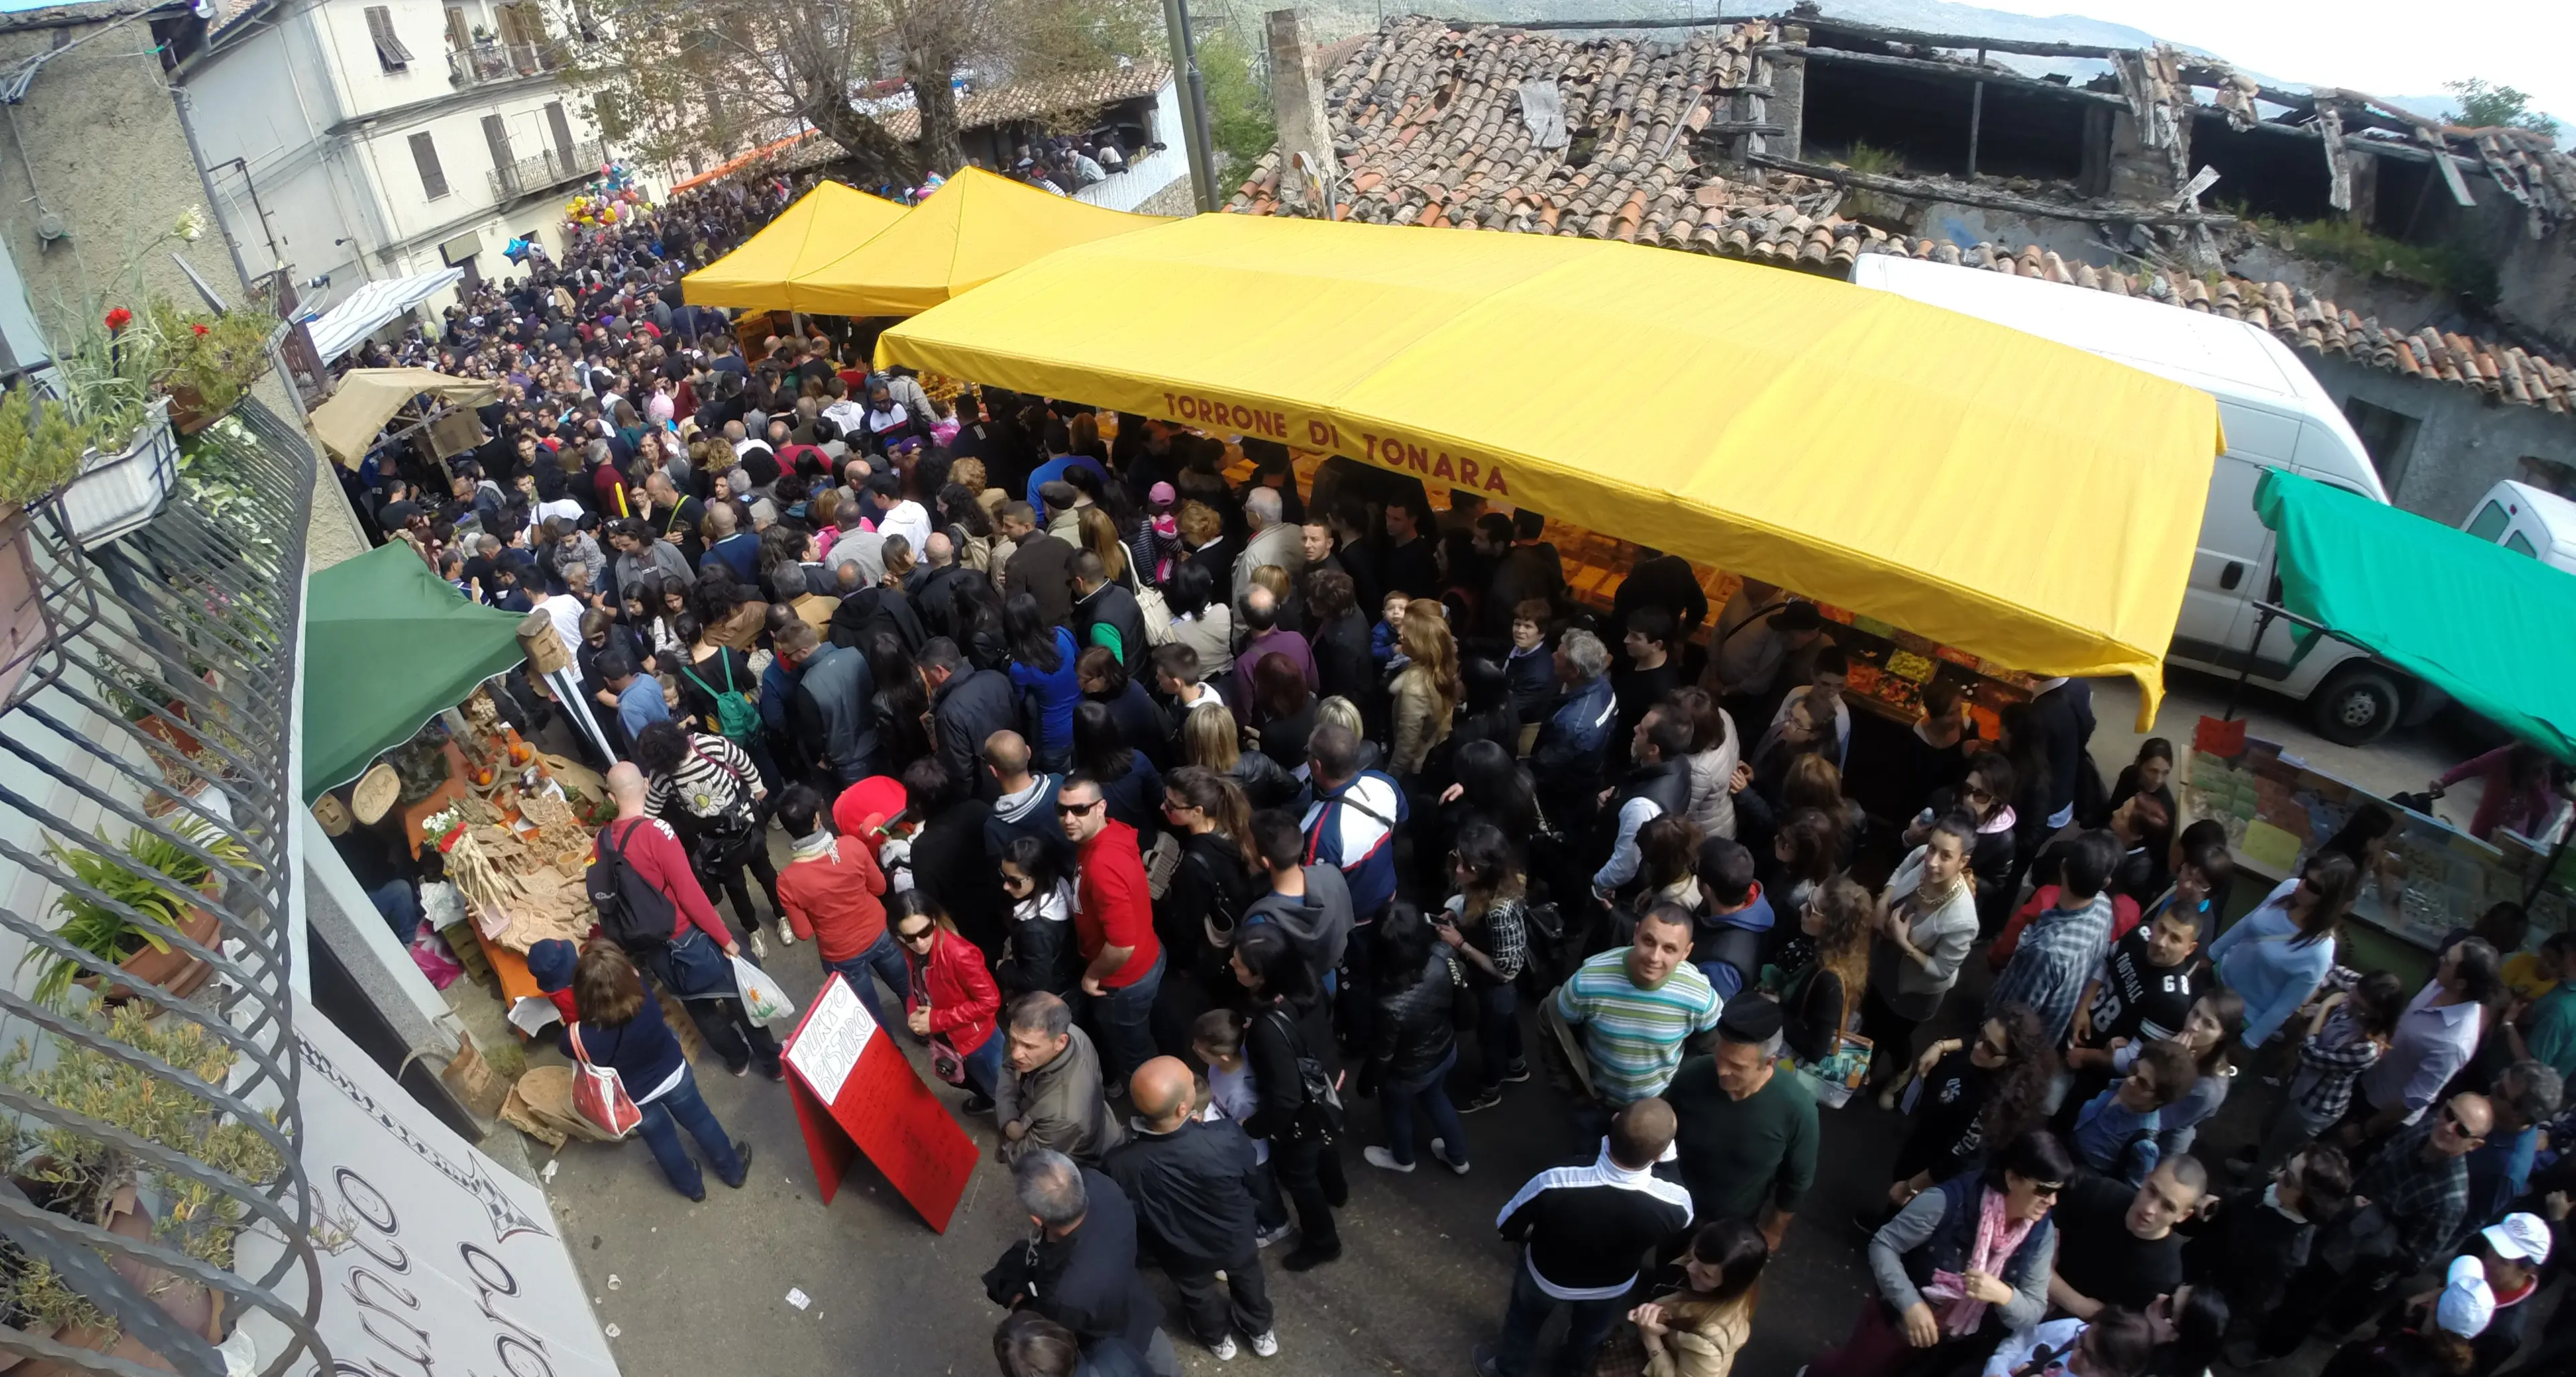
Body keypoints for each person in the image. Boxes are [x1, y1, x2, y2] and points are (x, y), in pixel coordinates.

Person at [1809, 1131, 2070, 1377]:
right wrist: (1910, 1305)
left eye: (2057, 1191)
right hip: (1897, 1324)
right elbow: (1884, 1245)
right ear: (2012, 1178)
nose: (2051, 1201)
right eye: (2043, 1190)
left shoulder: (2041, 1233)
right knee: (1851, 1371)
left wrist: (2003, 1295)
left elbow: (2034, 1310)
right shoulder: (1946, 1203)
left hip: (1950, 1344)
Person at [2259, 1093, 2494, 1356]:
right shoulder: (2426, 1128)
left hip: (2352, 1262)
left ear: (2474, 1145)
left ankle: (2267, 1349)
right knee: (2292, 1276)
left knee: (2304, 1307)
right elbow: (2380, 1160)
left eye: (2462, 1130)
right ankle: (2266, 1319)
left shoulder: (2450, 1200)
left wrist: (2374, 1234)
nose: (2449, 1128)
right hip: (2336, 1219)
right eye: (2450, 1115)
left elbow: (2414, 1259)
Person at [1477, 1097, 1695, 1377]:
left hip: (1545, 1276)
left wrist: (1521, 1236)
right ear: (1660, 1155)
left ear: (1614, 1121)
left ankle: (1508, 1369)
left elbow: (1506, 1223)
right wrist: (1668, 1157)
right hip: (1611, 1286)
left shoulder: (1557, 1177)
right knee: (1589, 1334)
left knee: (1523, 1324)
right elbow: (1682, 1219)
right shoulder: (1676, 1203)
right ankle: (1572, 1371)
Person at [594, 762, 783, 1079]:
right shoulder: (657, 833)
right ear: (646, 785)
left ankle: (737, 1060)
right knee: (738, 997)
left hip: (652, 946)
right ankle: (772, 1062)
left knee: (698, 1006)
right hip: (687, 938)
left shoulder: (602, 842)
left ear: (612, 798)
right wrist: (726, 939)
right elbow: (690, 894)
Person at [1102, 1056, 1278, 1362]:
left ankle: (1217, 1339)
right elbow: (1251, 1174)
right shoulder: (1224, 1136)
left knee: (1197, 1295)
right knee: (1249, 1280)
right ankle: (1259, 1330)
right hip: (1234, 1236)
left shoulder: (1120, 1163)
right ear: (1184, 1109)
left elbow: (1130, 1211)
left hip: (1178, 1246)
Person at [565, 940, 750, 1201]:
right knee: (700, 1120)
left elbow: (569, 1048)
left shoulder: (580, 1037)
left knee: (661, 1139)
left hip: (634, 1097)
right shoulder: (645, 998)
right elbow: (633, 978)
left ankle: (692, 1187)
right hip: (673, 1074)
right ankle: (732, 1170)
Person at [986, 1150, 1178, 1377]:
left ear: (1037, 1219)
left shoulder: (1065, 1295)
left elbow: (1051, 1337)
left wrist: (1019, 1303)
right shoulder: (1103, 1187)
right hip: (1136, 1307)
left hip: (1109, 1337)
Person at [1230, 924, 1346, 1272]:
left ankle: (1324, 1242)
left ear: (1260, 976)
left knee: (1298, 1177)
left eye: (1238, 964)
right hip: (1326, 1082)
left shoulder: (1268, 1029)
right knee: (1326, 1146)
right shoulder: (1306, 977)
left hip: (1301, 1116)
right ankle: (1337, 1191)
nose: (1231, 965)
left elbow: (1285, 1099)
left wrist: (1253, 1126)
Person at [1662, 997, 1818, 1252]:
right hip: (1677, 1208)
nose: (1722, 1071)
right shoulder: (1692, 1075)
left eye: (1736, 1066)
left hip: (1734, 1227)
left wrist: (1773, 1231)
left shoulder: (1797, 1109)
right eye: (1719, 1057)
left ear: (1769, 1063)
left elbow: (1797, 1181)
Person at [1878, 1008, 2058, 1213]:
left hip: (1933, 1166)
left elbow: (1955, 1160)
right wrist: (1943, 1046)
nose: (1978, 1046)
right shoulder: (1982, 1055)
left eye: (1990, 1048)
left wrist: (1910, 1187)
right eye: (1982, 1034)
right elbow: (1974, 1041)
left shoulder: (1994, 1104)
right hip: (1925, 1136)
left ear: (2012, 1061)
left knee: (1903, 1210)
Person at [631, 720, 786, 954]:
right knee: (735, 888)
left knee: (765, 871)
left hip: (744, 821)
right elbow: (651, 810)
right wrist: (642, 830)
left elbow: (741, 759)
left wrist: (757, 788)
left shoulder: (706, 745)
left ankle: (782, 914)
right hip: (714, 839)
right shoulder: (662, 776)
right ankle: (753, 930)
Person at [1551, 904, 1722, 1112]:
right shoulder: (1589, 979)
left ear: (1686, 952)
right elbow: (1557, 1029)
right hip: (1596, 1101)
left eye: (1669, 948)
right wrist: (1571, 1088)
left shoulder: (1698, 993)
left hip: (1655, 1105)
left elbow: (1710, 1044)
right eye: (1649, 941)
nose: (1654, 957)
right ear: (1636, 933)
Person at [1057, 773, 1163, 1093]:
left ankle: (1152, 1102)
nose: (1068, 819)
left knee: (1134, 1053)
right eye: (1062, 810)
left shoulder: (1103, 864)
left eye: (1079, 810)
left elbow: (1121, 945)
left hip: (1123, 981)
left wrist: (1092, 976)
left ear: (1101, 807)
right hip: (1147, 957)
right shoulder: (1106, 836)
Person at [1303, 722, 1408, 1041]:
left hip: (1355, 922)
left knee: (1357, 982)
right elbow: (1400, 822)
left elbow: (1314, 890)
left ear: (1317, 766)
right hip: (1390, 900)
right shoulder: (1383, 783)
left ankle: (1360, 1037)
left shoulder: (1320, 829)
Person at [2180, 1144, 2353, 1335]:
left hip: (2196, 1294)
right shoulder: (2280, 1194)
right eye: (2286, 1167)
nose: (2278, 1176)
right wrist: (2219, 1202)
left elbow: (2244, 1303)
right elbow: (2243, 1199)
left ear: (2309, 1200)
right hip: (2194, 1257)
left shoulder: (2285, 1256)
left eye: (2289, 1179)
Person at [771, 781, 904, 1022]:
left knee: (869, 1014)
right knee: (907, 989)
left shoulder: (787, 881)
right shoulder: (852, 846)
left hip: (840, 953)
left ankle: (890, 1054)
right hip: (880, 931)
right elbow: (880, 887)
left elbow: (803, 932)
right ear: (817, 819)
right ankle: (926, 1033)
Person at [1864, 814, 1980, 1088]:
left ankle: (1901, 1072)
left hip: (1914, 987)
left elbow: (1942, 971)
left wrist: (1905, 943)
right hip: (1885, 961)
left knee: (1894, 1036)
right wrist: (1883, 902)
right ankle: (1863, 1068)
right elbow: (1900, 872)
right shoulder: (1919, 857)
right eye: (1932, 849)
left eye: (1946, 856)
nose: (1932, 861)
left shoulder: (1962, 920)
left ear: (1963, 862)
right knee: (1872, 1020)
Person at [2249, 969, 2404, 1173]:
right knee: (2269, 1126)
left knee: (2276, 1155)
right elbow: (2330, 969)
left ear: (2377, 1014)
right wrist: (2315, 994)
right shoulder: (2363, 988)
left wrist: (2325, 1007)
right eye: (2354, 994)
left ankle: (2252, 1188)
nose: (2350, 1001)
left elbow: (2310, 1053)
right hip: (2297, 1081)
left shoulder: (2367, 1049)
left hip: (2315, 1105)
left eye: (2360, 1006)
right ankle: (2253, 1167)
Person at [2209, 850, 2361, 1053]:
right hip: (2218, 978)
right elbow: (2247, 923)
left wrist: (2248, 1043)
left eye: (2313, 887)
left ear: (2330, 900)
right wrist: (2210, 955)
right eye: (2305, 876)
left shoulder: (2319, 952)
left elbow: (2285, 1006)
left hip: (2243, 1016)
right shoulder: (2288, 889)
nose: (2302, 885)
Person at [2352, 937, 2502, 1142]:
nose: (2441, 960)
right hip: (2369, 1076)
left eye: (2448, 961)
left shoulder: (2453, 1044)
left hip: (2378, 1111)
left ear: (2461, 983)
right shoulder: (2441, 984)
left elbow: (2412, 1102)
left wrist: (2364, 1131)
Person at [1358, 903, 1470, 1176]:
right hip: (1444, 1051)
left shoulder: (1388, 1003)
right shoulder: (1443, 957)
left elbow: (1383, 1053)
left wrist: (1368, 1082)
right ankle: (1458, 1158)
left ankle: (1402, 1159)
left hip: (1407, 1072)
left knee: (1396, 1111)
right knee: (1437, 1098)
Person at [1986, 830, 2121, 1048]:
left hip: (2014, 1044)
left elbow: (2018, 1015)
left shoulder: (2047, 951)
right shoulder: (2104, 906)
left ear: (2063, 866)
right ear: (2106, 882)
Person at [1596, 1217, 1766, 1377]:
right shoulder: (1726, 1275)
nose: (1690, 1268)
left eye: (1706, 1274)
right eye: (1694, 1256)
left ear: (1730, 1285)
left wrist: (1651, 1338)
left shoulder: (1708, 1341)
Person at [1440, 822, 1531, 1111]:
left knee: (1490, 1039)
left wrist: (1460, 944)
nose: (1458, 871)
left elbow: (1507, 969)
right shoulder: (1489, 886)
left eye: (1467, 867)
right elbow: (1471, 903)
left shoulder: (1499, 910)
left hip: (1495, 988)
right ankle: (1517, 1066)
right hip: (1495, 989)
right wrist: (1457, 912)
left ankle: (1491, 1090)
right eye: (1458, 859)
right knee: (1506, 1025)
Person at [2049, 1156, 2204, 1320]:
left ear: (2184, 1216)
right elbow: (2046, 1225)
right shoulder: (2101, 1192)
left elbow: (2114, 1324)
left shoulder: (2164, 1275)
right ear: (2146, 1178)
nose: (2150, 1209)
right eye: (2152, 1191)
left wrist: (2049, 1280)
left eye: (2167, 1206)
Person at [897, 893, 1004, 1113]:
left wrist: (935, 1020)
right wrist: (913, 1014)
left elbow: (991, 1001)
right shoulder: (913, 952)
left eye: (925, 932)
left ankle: (1007, 1119)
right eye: (910, 937)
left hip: (977, 1042)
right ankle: (988, 1100)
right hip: (950, 1038)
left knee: (999, 1089)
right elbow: (916, 989)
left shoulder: (959, 955)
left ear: (935, 921)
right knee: (960, 1078)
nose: (919, 943)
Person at [991, 992, 1124, 1166]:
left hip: (1076, 1156)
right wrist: (1009, 1119)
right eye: (1013, 1040)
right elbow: (1009, 1067)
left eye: (1029, 1046)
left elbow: (1024, 1159)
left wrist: (1009, 1145)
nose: (1016, 1053)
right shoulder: (1069, 1033)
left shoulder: (1063, 1114)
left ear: (1061, 1042)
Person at [2068, 1041, 2198, 1184]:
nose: (2130, 1080)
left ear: (2160, 1099)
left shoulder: (2144, 1144)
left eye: (2142, 1083)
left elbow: (2130, 1191)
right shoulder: (2117, 1087)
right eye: (2134, 1069)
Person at [923, 637, 1020, 804]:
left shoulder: (948, 714)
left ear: (940, 671)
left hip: (989, 794)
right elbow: (1018, 720)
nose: (926, 680)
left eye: (926, 673)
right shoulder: (996, 678)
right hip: (1017, 769)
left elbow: (961, 772)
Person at [1006, 592, 1083, 770]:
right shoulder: (1063, 634)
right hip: (1082, 720)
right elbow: (1080, 661)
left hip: (1054, 736)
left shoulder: (1019, 668)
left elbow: (1020, 699)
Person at [1387, 599, 1463, 781]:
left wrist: (1390, 778)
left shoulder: (1415, 690)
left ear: (1419, 643)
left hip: (1415, 770)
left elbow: (1406, 747)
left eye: (1406, 631)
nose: (1400, 633)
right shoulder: (1442, 667)